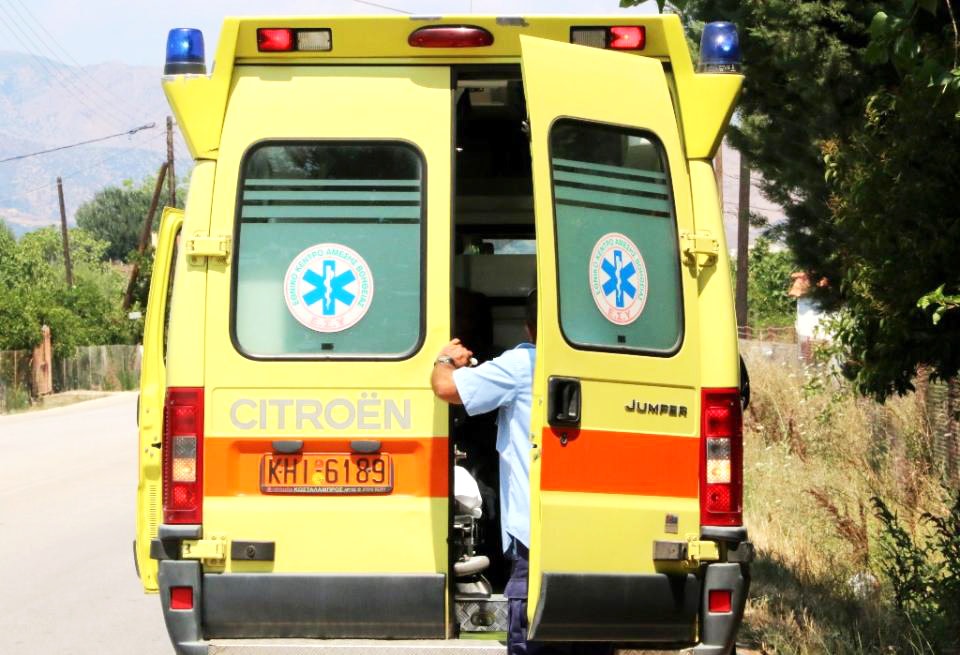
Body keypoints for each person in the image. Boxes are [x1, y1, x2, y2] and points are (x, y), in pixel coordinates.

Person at [431, 292, 612, 655]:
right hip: (598, 535)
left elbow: (445, 388)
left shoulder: (522, 364)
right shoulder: (607, 365)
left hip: (536, 534)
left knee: (531, 633)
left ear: (529, 328)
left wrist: (445, 359)